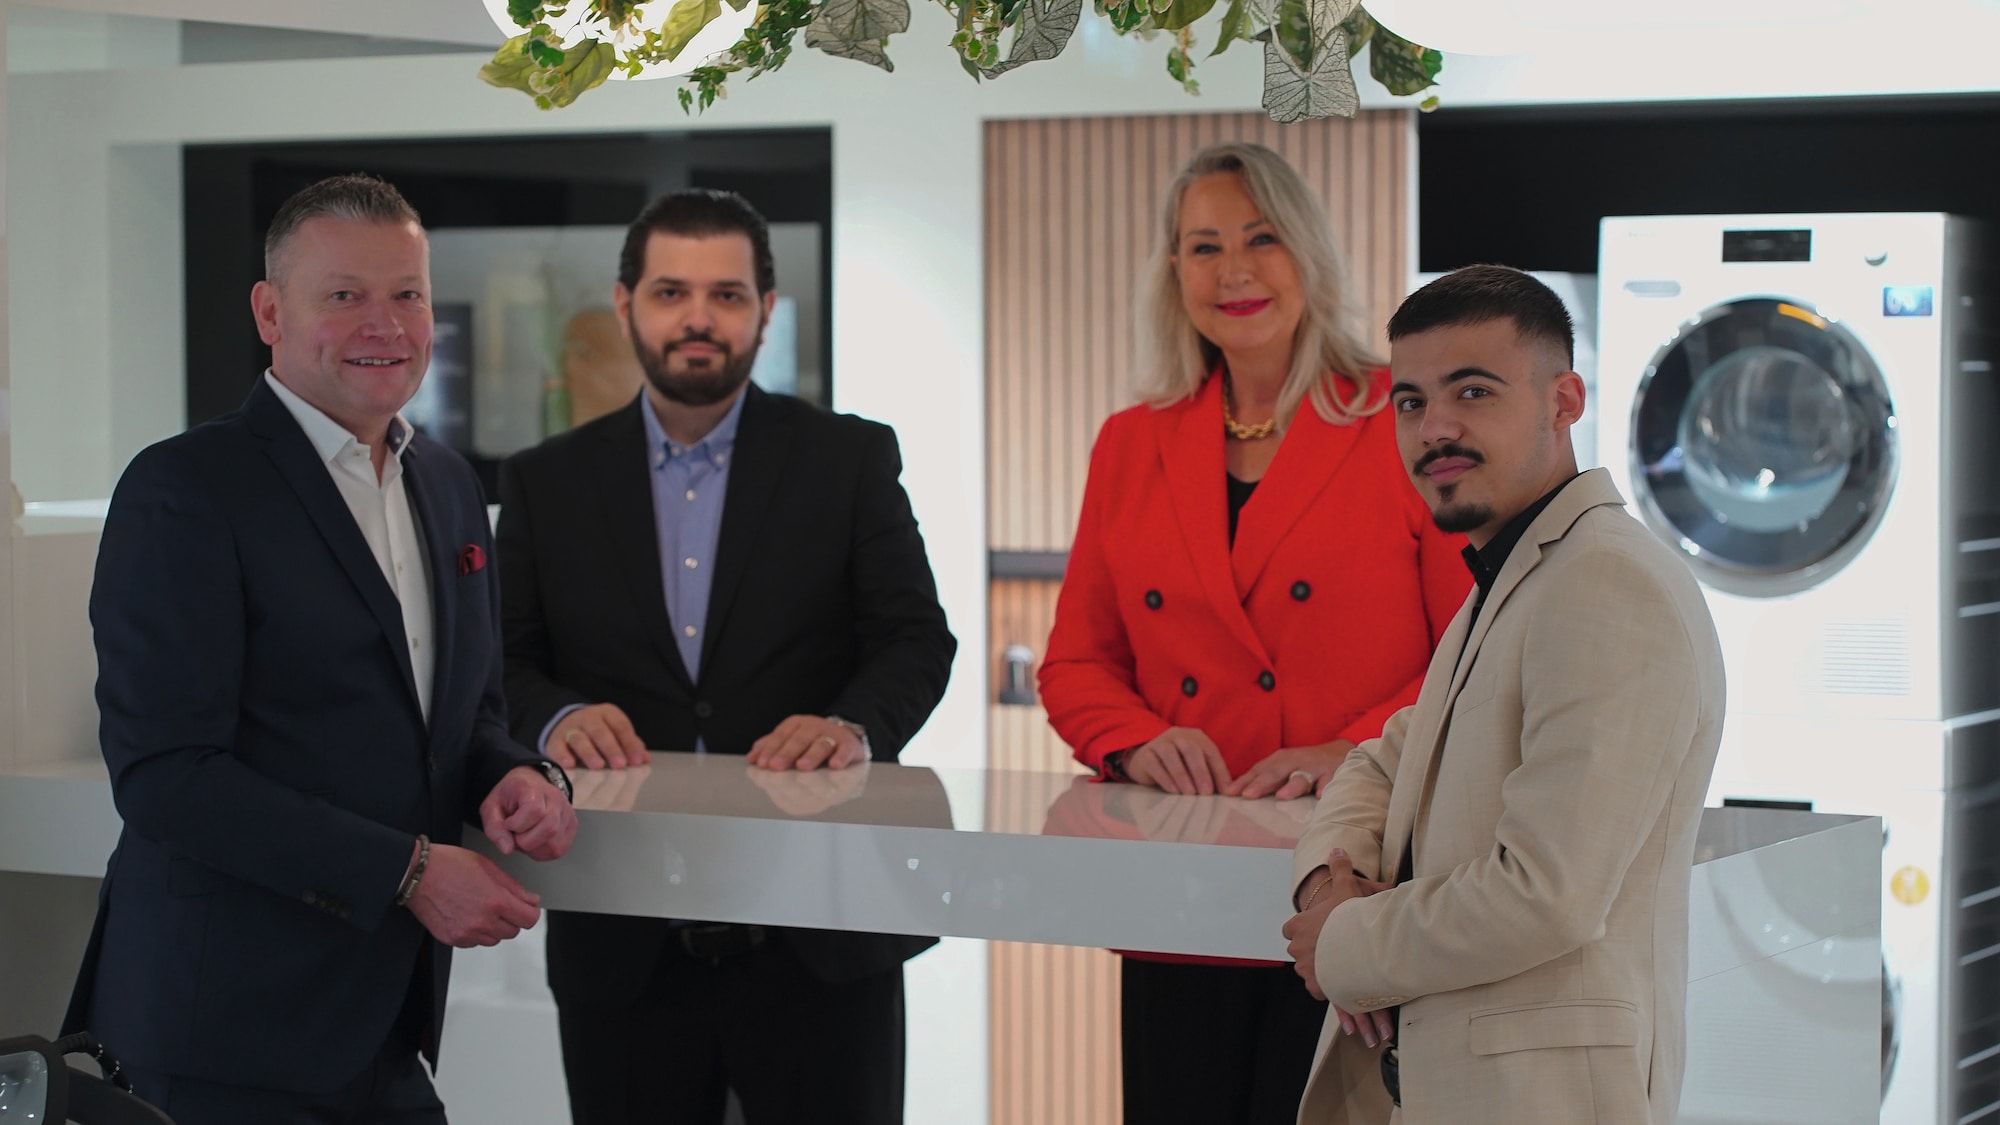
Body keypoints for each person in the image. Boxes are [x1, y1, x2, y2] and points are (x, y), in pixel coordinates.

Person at [64, 173, 578, 1125]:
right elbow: (167, 775)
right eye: (343, 295)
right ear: (270, 311)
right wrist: (413, 872)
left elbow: (463, 714)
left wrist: (516, 773)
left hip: (386, 1028)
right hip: (219, 1034)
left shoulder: (451, 484)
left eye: (407, 294)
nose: (383, 323)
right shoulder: (185, 488)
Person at [496, 188, 956, 1125]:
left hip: (823, 933)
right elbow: (500, 658)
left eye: (727, 295)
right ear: (625, 305)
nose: (698, 318)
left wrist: (853, 725)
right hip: (625, 940)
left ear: (766, 311)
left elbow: (915, 636)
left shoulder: (851, 459)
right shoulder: (545, 481)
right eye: (670, 292)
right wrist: (553, 716)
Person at [1038, 141, 1470, 1125]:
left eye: (1259, 239)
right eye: (1202, 247)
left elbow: (1468, 660)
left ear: (1308, 255)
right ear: (1171, 271)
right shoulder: (1131, 440)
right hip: (1176, 878)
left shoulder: (1401, 416)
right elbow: (1074, 662)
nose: (1232, 272)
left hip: (1349, 873)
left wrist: (1347, 752)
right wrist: (1137, 738)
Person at [1281, 265, 1726, 1123]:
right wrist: (1326, 886)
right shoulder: (1516, 573)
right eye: (1409, 402)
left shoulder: (1605, 581)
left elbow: (1546, 891)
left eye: (1472, 391)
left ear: (1565, 400)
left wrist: (1346, 943)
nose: (1434, 428)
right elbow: (1384, 757)